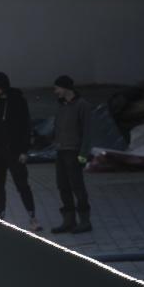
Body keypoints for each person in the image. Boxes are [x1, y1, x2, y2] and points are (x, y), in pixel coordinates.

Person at [0, 72, 39, 231]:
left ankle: (32, 216)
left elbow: (25, 127)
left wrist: (24, 150)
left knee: (22, 184)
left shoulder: (18, 101)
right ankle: (1, 216)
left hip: (14, 151)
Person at [50, 75, 93, 234]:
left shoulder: (82, 106)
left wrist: (83, 154)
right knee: (63, 186)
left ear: (66, 88)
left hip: (73, 152)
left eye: (57, 88)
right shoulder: (61, 106)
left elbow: (87, 133)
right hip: (61, 151)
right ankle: (69, 220)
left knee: (77, 186)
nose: (55, 92)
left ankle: (84, 220)